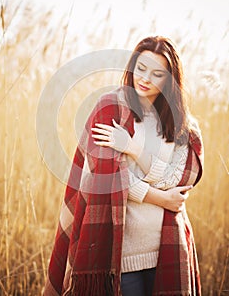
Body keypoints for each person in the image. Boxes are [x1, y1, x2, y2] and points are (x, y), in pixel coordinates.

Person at [44, 36, 204, 296]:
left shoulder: (184, 125)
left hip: (169, 248)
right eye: (141, 68)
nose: (145, 78)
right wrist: (161, 198)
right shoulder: (110, 107)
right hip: (121, 254)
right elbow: (105, 178)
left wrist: (131, 147)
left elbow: (176, 180)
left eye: (157, 74)